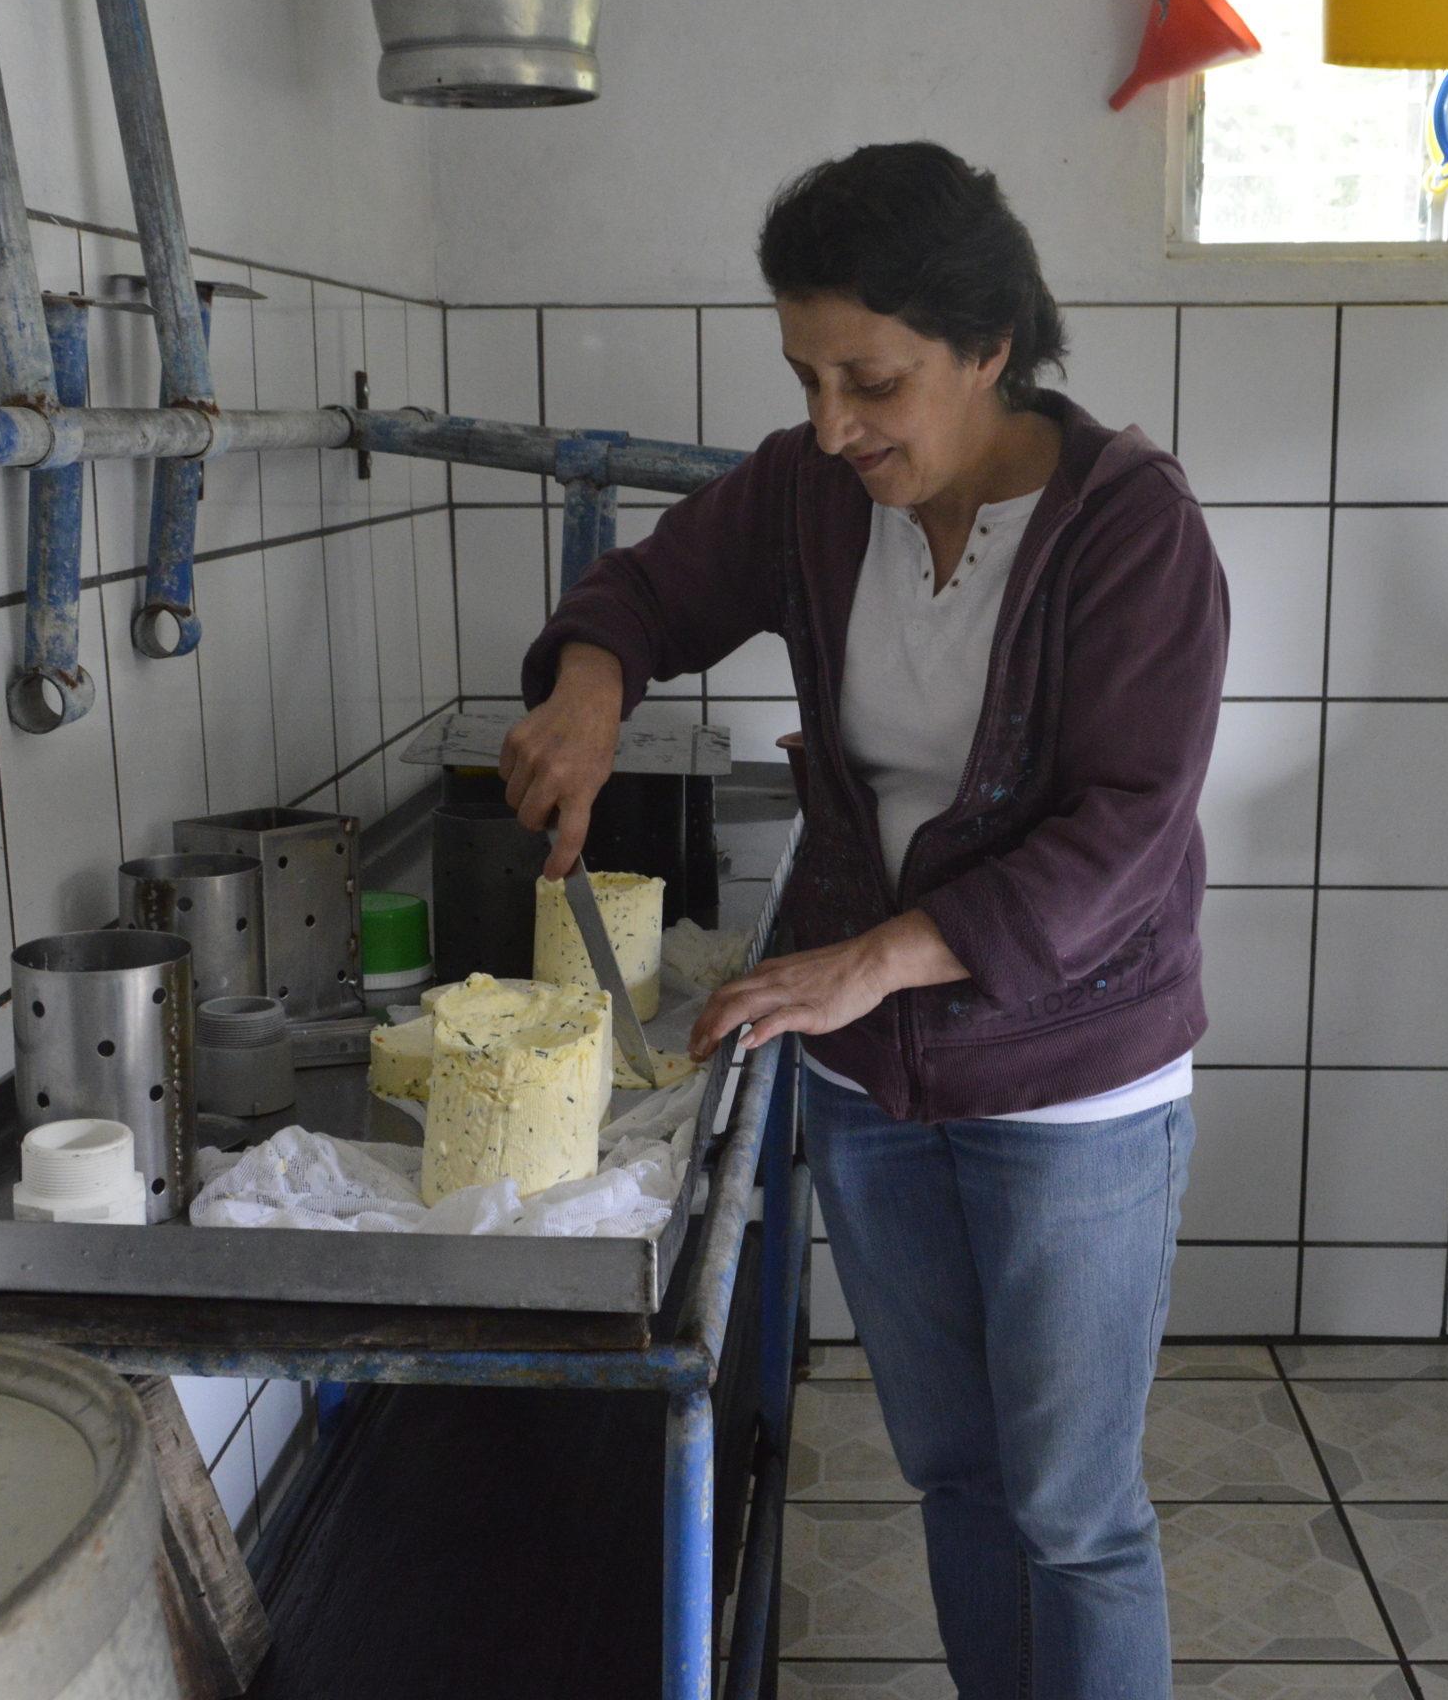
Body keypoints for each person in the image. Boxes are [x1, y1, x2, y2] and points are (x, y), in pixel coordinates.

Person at [502, 141, 1227, 1700]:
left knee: (1074, 1512)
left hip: (1074, 1085)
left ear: (987, 351)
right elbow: (644, 592)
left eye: (873, 381)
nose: (832, 424)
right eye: (807, 375)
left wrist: (869, 961)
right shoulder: (807, 497)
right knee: (958, 1481)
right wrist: (588, 688)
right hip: (874, 1084)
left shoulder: (1132, 530)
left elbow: (1122, 834)